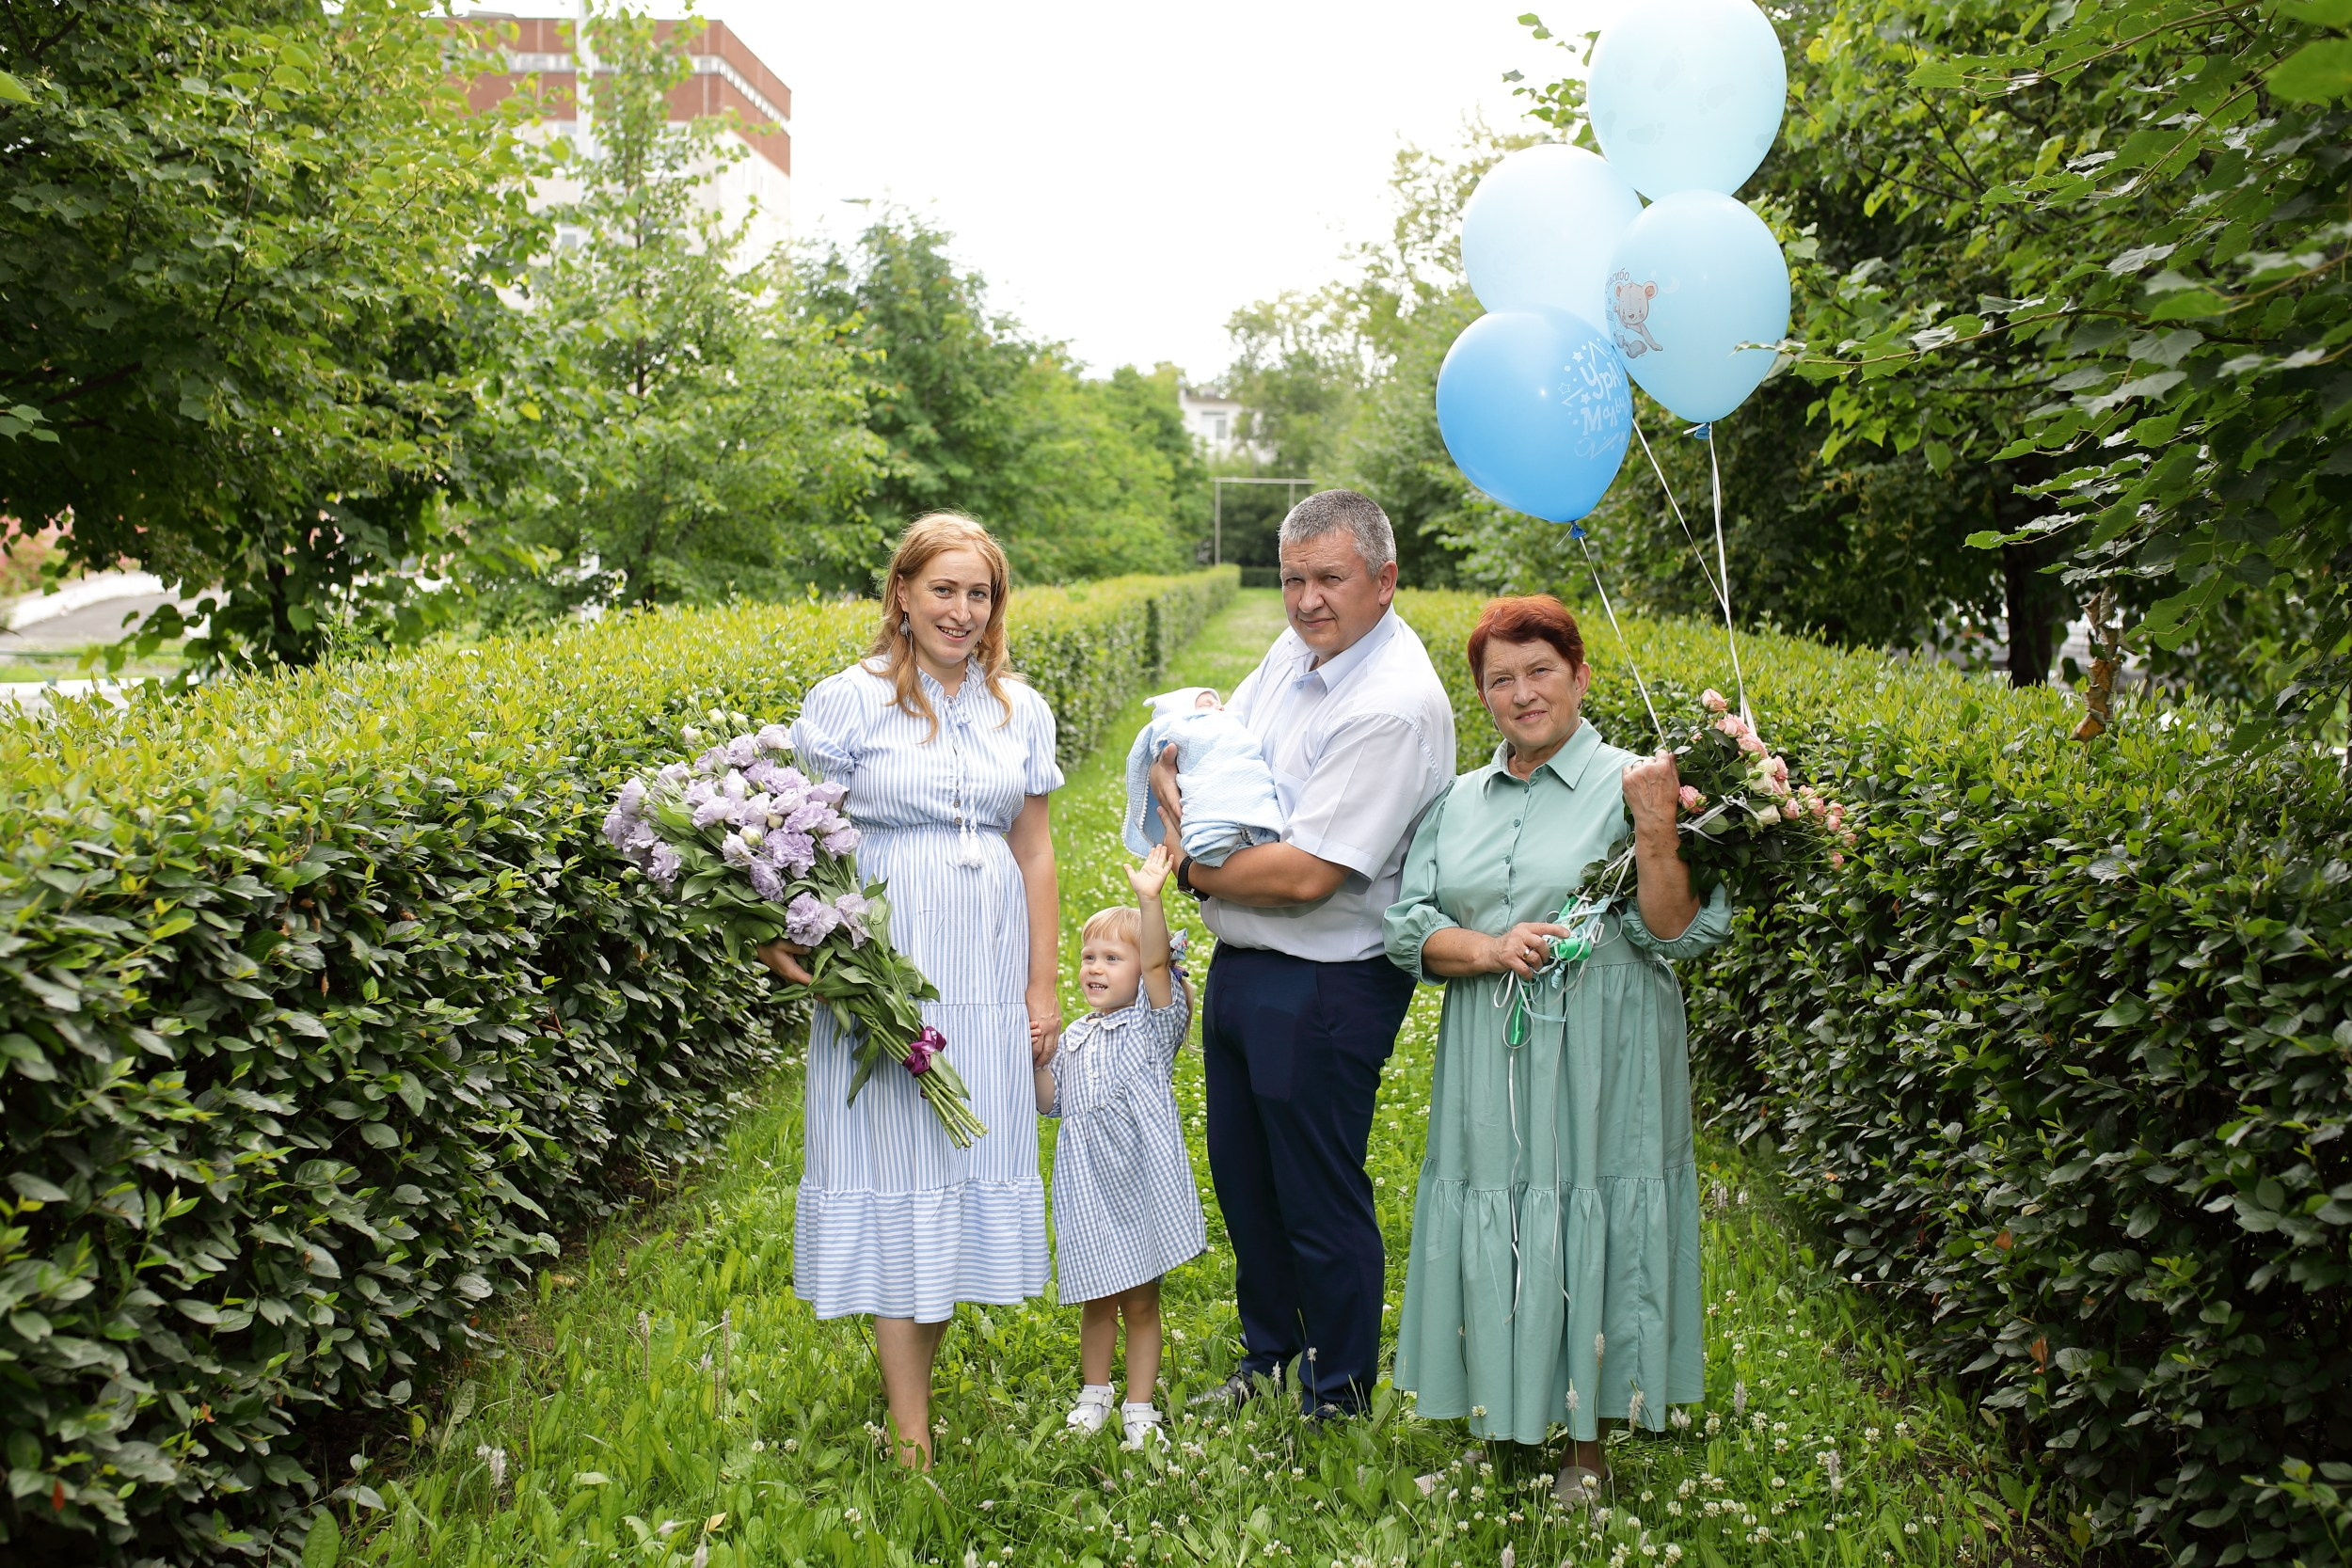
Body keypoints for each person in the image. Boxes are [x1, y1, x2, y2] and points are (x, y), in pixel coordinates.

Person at [1380, 594, 1728, 1505]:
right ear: (1481, 697)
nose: (1522, 693)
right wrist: (1488, 948)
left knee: (1587, 1206)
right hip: (1486, 1046)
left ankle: (1586, 1448)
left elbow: (1677, 932)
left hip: (1603, 1051)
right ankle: (1500, 1413)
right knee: (1494, 1208)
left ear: (1578, 674)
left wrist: (1656, 827)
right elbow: (1407, 926)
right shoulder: (1456, 799)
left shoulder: (1638, 781)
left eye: (1539, 670)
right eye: (1501, 679)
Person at [757, 514, 1064, 1470]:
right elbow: (787, 835)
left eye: (979, 594)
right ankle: (909, 1429)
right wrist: (784, 936)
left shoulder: (1020, 706)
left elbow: (1036, 847)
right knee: (901, 1167)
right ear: (901, 593)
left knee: (959, 1172)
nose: (962, 611)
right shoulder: (847, 702)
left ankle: (913, 1393)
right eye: (943, 589)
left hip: (988, 960)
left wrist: (1041, 983)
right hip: (891, 960)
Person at [1149, 489, 1455, 1417]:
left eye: (1330, 577)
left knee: (1316, 1192)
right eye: (1293, 578)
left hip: (1327, 978)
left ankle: (1338, 1390)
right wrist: (1185, 794)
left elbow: (1307, 873)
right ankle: (1269, 1358)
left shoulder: (1394, 703)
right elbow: (1216, 749)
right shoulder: (1297, 650)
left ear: (1385, 579)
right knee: (1248, 1183)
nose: (1307, 599)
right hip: (1249, 965)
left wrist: (1196, 865)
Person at [1032, 845, 1205, 1450]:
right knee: (1095, 1299)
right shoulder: (1075, 1037)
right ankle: (1095, 1392)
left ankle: (1138, 1404)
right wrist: (1036, 1065)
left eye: (1112, 958)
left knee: (1140, 1301)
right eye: (1088, 958)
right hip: (1088, 1187)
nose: (1095, 968)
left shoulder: (1152, 1026)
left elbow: (1160, 966)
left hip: (1138, 1183)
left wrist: (1149, 899)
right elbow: (1054, 1104)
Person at [1121, 686, 1284, 866]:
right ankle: (1213, 833)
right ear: (1185, 716)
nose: (1220, 708)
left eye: (1218, 704)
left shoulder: (1228, 726)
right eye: (1208, 705)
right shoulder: (1191, 730)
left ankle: (1236, 828)